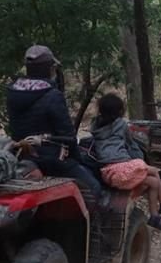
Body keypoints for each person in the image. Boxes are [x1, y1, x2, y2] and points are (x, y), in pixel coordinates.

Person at [6, 45, 101, 196]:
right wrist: (78, 161)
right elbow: (68, 136)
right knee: (95, 188)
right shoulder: (52, 95)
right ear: (49, 69)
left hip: (22, 155)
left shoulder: (12, 92)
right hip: (51, 160)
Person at [90, 93, 161, 232]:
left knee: (153, 181)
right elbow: (131, 145)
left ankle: (155, 216)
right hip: (120, 168)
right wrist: (139, 159)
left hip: (110, 172)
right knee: (153, 170)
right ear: (119, 111)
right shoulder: (121, 125)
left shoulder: (95, 127)